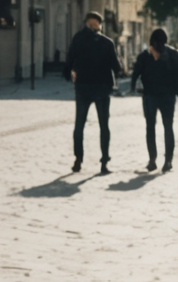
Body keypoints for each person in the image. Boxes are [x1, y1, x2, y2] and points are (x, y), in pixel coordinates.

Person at [67, 12, 124, 174]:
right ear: (99, 25)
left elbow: (69, 60)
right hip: (102, 89)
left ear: (86, 24)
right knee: (104, 126)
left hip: (83, 88)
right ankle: (104, 161)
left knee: (79, 125)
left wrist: (72, 72)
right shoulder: (107, 42)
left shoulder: (78, 39)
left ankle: (78, 159)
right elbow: (117, 67)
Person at [130, 27, 176, 174]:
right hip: (168, 96)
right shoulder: (173, 54)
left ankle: (152, 160)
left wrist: (133, 87)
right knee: (168, 127)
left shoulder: (145, 55)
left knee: (150, 127)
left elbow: (136, 73)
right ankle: (168, 161)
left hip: (150, 96)